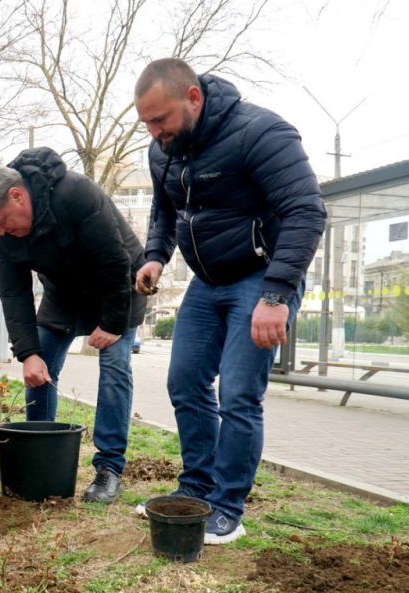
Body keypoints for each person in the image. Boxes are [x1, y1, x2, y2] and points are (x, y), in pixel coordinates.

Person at [133, 58, 325, 543]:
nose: (155, 132)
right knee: (184, 382)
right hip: (207, 282)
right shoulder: (164, 152)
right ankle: (196, 489)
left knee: (239, 393)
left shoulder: (260, 132)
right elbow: (165, 210)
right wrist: (155, 256)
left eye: (161, 120)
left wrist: (277, 294)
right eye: (147, 123)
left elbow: (305, 211)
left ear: (193, 98)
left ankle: (226, 507)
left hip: (260, 280)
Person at [0, 147, 147, 504]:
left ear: (17, 196)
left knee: (113, 367)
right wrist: (28, 353)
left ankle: (108, 469)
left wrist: (111, 324)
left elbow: (114, 261)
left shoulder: (75, 194)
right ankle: (37, 453)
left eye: (2, 221)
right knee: (41, 363)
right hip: (64, 295)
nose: (1, 231)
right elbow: (13, 292)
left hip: (118, 287)